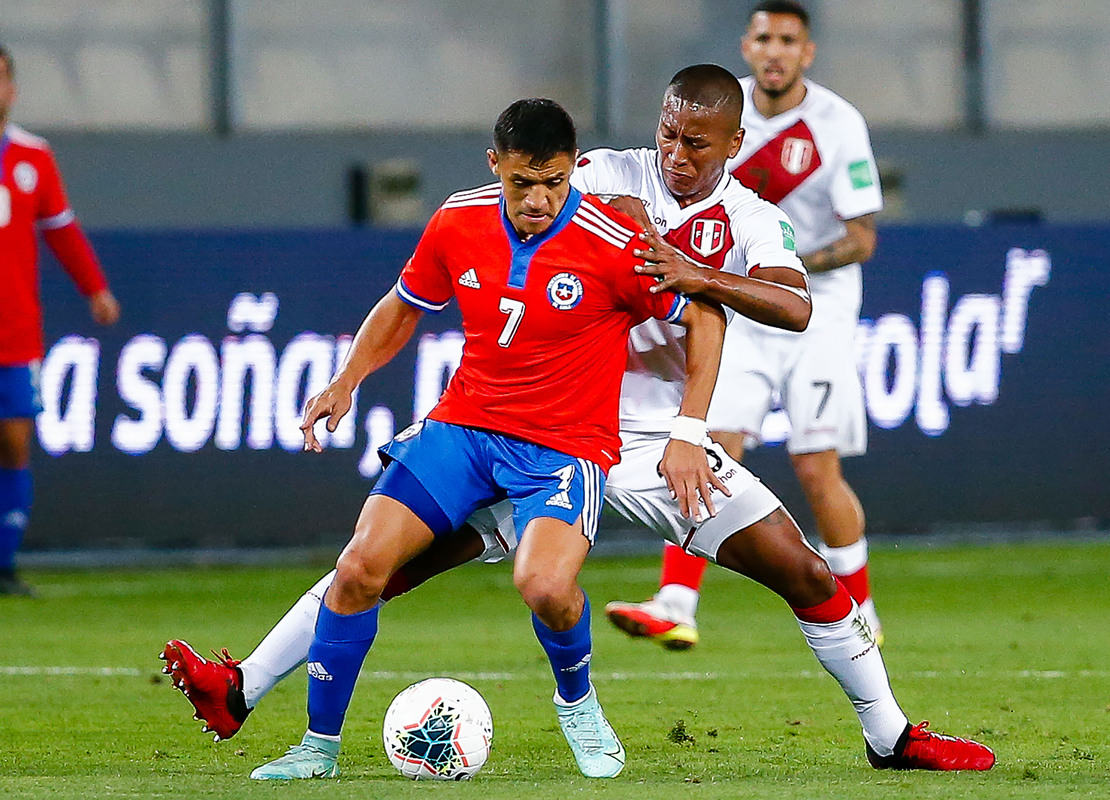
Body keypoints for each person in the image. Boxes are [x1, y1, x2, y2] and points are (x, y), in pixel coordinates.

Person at [163, 67, 995, 774]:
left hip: (668, 442)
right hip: (549, 431)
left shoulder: (749, 218)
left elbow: (793, 303)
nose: (676, 153)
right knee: (379, 569)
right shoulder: (601, 174)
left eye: (697, 143)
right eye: (668, 133)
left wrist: (696, 308)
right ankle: (243, 688)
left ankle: (889, 738)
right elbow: (515, 207)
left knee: (804, 573)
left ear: (731, 147)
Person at [164, 97, 728, 781]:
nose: (540, 201)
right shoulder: (458, 219)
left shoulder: (614, 242)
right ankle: (318, 747)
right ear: (496, 166)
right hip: (463, 429)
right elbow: (404, 304)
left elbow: (704, 317)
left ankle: (577, 702)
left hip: (564, 447)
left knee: (545, 587)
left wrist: (689, 428)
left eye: (555, 183)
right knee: (358, 569)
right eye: (523, 183)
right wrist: (348, 380)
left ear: (572, 172)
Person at [606, 0, 886, 649]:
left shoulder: (838, 124)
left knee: (816, 466)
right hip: (733, 307)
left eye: (789, 40)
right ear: (747, 46)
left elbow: (861, 237)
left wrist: (777, 270)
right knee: (711, 440)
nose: (776, 51)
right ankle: (677, 600)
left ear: (806, 52)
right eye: (765, 38)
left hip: (814, 310)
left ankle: (862, 612)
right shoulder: (718, 119)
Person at [0, 43, 121, 597]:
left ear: (13, 88)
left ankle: (4, 563)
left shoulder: (32, 156)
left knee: (14, 443)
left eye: (1, 79)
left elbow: (62, 230)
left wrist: (95, 289)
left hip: (14, 331)